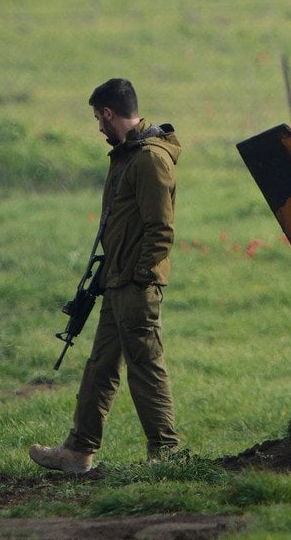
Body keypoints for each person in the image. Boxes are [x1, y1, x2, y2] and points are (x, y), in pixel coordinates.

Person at [30, 78, 182, 474]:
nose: (99, 127)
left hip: (135, 286)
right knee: (100, 367)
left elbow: (161, 229)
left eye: (99, 118)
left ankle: (166, 455)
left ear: (110, 113)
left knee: (145, 367)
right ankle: (78, 452)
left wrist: (141, 276)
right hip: (117, 282)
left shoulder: (149, 159)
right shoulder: (129, 155)